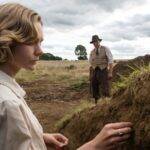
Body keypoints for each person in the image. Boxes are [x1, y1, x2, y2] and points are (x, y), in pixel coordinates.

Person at [0, 3, 132, 150]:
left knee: (105, 89)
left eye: (40, 42)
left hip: (102, 70)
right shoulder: (8, 103)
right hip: (95, 70)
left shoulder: (7, 92)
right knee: (95, 89)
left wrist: (39, 137)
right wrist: (93, 146)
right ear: (7, 40)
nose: (40, 51)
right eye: (31, 41)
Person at [89, 35, 113, 104]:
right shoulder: (92, 52)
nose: (95, 43)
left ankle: (107, 102)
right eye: (93, 42)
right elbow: (90, 62)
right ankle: (97, 103)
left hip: (103, 70)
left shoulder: (105, 49)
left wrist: (110, 72)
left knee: (105, 86)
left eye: (96, 41)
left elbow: (111, 61)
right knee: (94, 86)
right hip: (95, 71)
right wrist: (92, 72)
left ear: (99, 41)